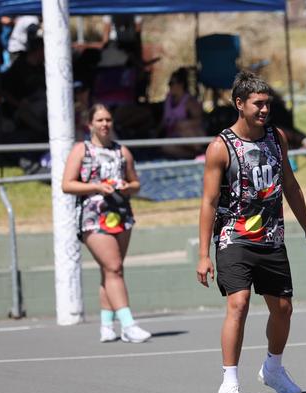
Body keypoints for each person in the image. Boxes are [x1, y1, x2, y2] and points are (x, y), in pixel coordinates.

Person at [196, 71, 306, 393]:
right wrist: (204, 254)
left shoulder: (276, 137)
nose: (265, 109)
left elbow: (291, 185)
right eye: (258, 104)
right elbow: (208, 202)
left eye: (268, 103)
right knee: (238, 304)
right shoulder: (220, 147)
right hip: (234, 237)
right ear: (239, 104)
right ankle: (229, 382)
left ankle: (273, 368)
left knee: (283, 309)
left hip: (271, 238)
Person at [61, 104, 152, 344]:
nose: (104, 124)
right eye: (100, 120)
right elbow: (67, 184)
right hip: (93, 217)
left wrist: (127, 187)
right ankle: (128, 325)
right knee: (114, 267)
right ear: (90, 124)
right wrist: (96, 186)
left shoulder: (122, 151)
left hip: (121, 214)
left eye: (108, 120)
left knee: (110, 271)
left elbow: (136, 183)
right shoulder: (81, 150)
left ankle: (106, 325)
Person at [160, 68, 205, 159]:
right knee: (165, 147)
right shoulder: (168, 99)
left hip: (190, 135)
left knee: (182, 128)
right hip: (174, 137)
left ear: (181, 84)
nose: (169, 86)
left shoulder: (189, 101)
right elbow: (164, 120)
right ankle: (196, 155)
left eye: (171, 83)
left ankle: (200, 151)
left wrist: (184, 124)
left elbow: (200, 120)